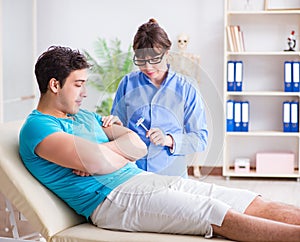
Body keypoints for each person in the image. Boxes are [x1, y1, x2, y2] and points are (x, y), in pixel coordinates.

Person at [19, 46, 300, 242]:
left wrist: (105, 154)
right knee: (214, 212)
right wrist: (106, 156)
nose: (85, 92)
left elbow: (137, 145)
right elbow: (98, 161)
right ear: (55, 85)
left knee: (246, 200)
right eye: (78, 84)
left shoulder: (84, 116)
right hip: (111, 200)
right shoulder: (38, 127)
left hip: (143, 179)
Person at [111, 19, 207, 177]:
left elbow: (200, 138)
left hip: (172, 176)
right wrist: (113, 124)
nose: (147, 67)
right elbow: (115, 128)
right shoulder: (128, 83)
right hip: (132, 173)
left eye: (154, 59)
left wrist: (168, 139)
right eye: (141, 60)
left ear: (167, 54)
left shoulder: (187, 87)